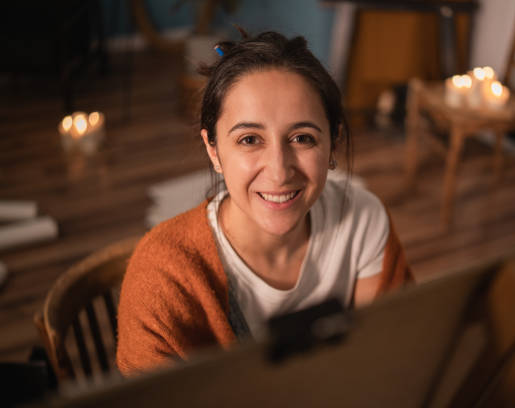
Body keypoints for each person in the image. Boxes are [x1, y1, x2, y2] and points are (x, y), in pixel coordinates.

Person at [116, 30, 412, 376]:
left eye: (303, 138)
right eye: (250, 139)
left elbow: (388, 359)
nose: (278, 170)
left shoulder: (363, 221)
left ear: (332, 143)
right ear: (214, 151)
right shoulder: (164, 274)